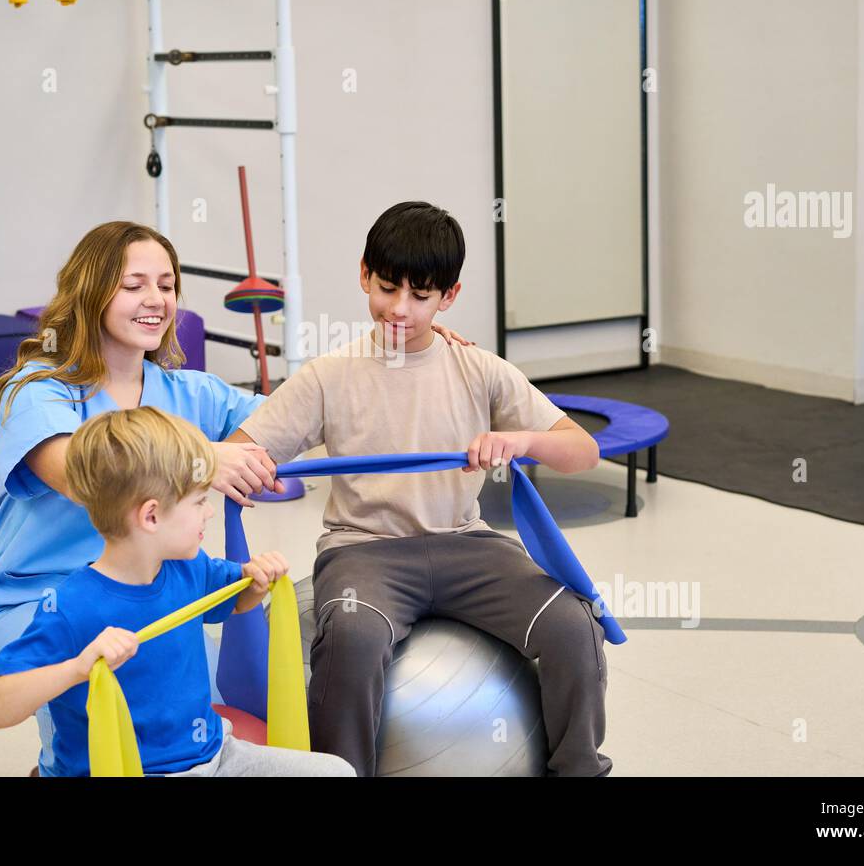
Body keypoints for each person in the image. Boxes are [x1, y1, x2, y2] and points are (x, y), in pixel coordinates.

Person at [0, 220, 468, 774]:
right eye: (134, 285)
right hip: (37, 605)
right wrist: (205, 460)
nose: (155, 299)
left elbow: (314, 412)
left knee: (199, 721)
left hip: (152, 596)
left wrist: (419, 350)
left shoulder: (188, 392)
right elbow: (80, 472)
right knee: (103, 735)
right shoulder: (38, 389)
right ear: (91, 290)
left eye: (167, 285)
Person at [227, 201, 612, 776]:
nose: (400, 310)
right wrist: (249, 469)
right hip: (363, 552)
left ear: (449, 297)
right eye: (386, 288)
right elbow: (240, 452)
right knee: (351, 639)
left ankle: (577, 772)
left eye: (421, 296)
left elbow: (583, 450)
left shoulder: (477, 367)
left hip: (468, 545)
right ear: (364, 274)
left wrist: (521, 441)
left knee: (573, 626)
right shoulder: (327, 375)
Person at [0, 406, 354, 777]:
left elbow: (235, 600)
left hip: (214, 757)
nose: (208, 513)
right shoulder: (71, 607)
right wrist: (76, 668)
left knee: (336, 772)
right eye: (200, 501)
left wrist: (256, 581)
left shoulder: (189, 567)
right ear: (151, 516)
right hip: (129, 769)